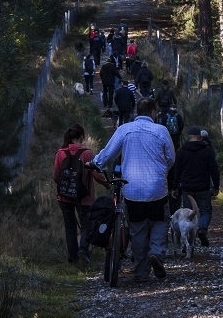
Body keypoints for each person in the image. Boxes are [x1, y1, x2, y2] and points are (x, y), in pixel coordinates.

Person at [90, 98, 175, 282]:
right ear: (153, 112)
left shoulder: (125, 129)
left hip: (132, 191)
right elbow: (171, 158)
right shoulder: (161, 131)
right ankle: (156, 253)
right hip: (156, 190)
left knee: (137, 230)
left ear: (137, 111)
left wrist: (95, 163)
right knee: (160, 223)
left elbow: (108, 153)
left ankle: (141, 272)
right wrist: (162, 171)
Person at [53, 124, 110, 265]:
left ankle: (73, 259)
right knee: (86, 225)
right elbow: (95, 175)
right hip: (84, 197)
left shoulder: (60, 153)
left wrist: (67, 187)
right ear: (82, 137)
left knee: (70, 227)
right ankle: (83, 250)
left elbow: (56, 177)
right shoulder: (87, 153)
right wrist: (106, 184)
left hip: (64, 197)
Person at [172, 126, 220, 247]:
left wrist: (175, 187)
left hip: (187, 188)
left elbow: (177, 171)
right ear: (200, 137)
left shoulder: (182, 151)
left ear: (189, 137)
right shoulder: (207, 151)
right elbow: (214, 169)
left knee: (188, 215)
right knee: (205, 211)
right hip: (203, 187)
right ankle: (202, 229)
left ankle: (188, 240)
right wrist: (216, 186)